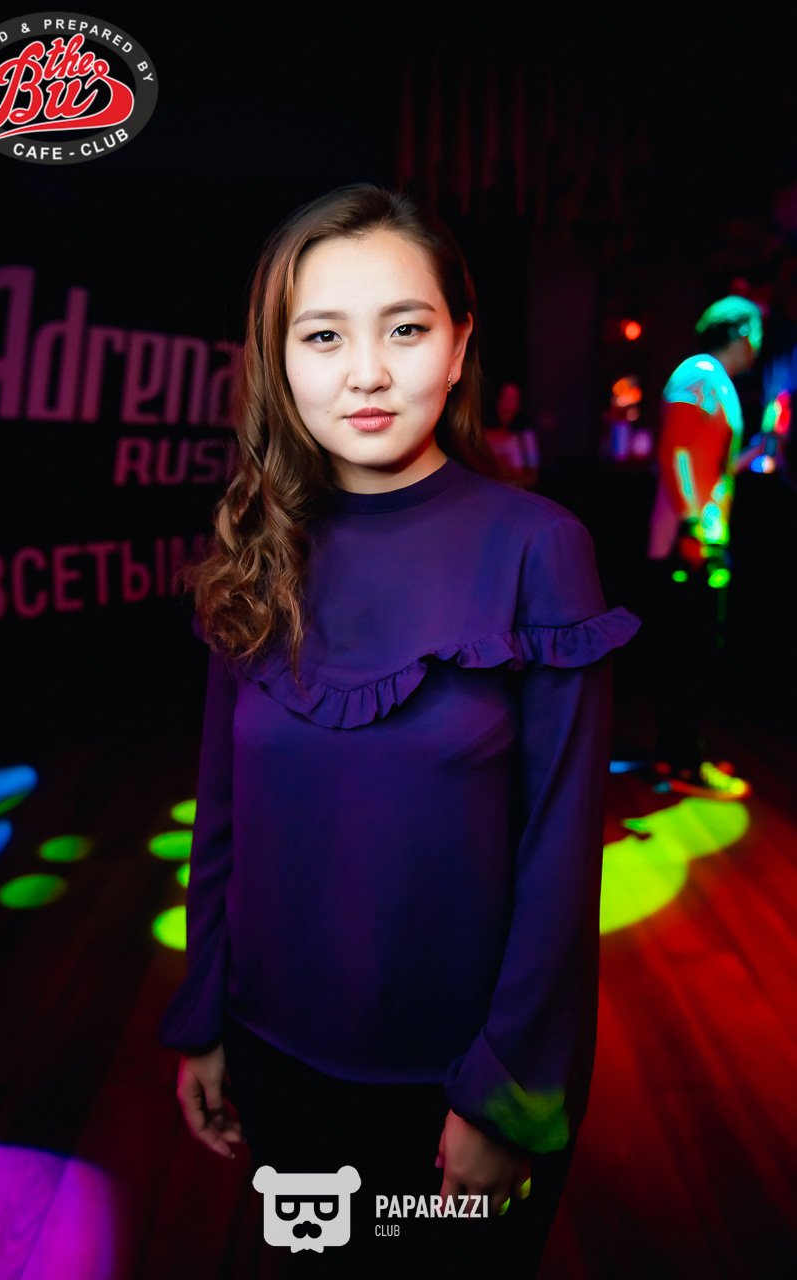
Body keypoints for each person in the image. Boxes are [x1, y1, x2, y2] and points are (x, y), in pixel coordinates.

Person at [158, 184, 640, 1277]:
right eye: (323, 336)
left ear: (460, 344)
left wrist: (506, 1095)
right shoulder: (258, 545)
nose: (365, 372)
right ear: (278, 359)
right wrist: (203, 1015)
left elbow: (561, 853)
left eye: (406, 329)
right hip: (274, 1056)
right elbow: (221, 815)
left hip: (452, 1086)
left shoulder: (538, 547)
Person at [645, 295, 765, 799]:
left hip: (700, 537)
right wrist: (694, 529)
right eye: (757, 332)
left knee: (693, 655)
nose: (759, 344)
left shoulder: (715, 381)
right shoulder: (699, 373)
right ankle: (683, 763)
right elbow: (674, 450)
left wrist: (758, 450)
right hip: (686, 542)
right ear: (741, 333)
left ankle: (682, 756)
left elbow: (707, 464)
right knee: (686, 657)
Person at [483, 379, 540, 488]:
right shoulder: (482, 435)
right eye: (505, 398)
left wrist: (509, 473)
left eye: (513, 399)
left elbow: (532, 477)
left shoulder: (525, 437)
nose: (508, 405)